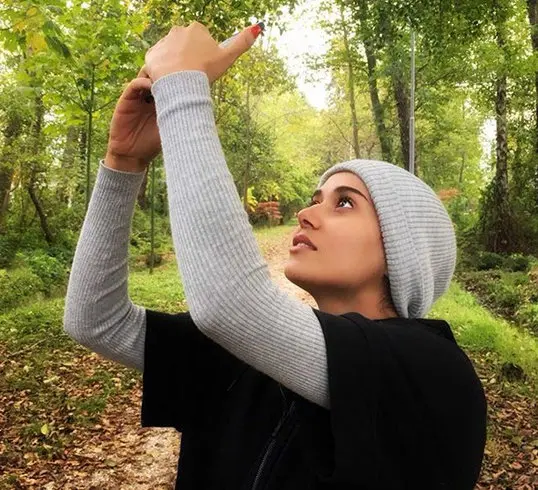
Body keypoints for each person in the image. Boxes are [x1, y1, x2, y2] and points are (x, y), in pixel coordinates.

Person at [64, 21, 487, 490]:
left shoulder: (432, 371)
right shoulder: (251, 353)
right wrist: (124, 163)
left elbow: (229, 304)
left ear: (401, 249)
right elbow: (97, 321)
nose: (306, 213)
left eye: (345, 203)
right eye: (316, 198)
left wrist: (183, 89)